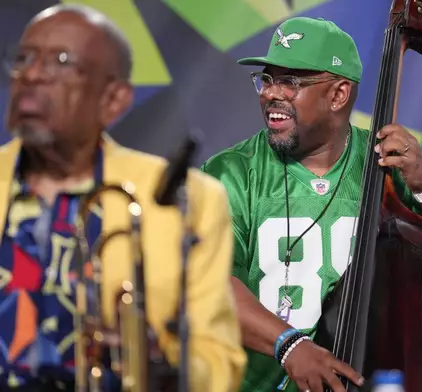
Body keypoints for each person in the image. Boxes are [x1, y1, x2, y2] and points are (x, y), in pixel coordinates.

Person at [200, 16, 422, 392]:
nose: (270, 93)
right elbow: (207, 281)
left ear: (338, 94)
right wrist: (290, 346)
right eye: (267, 79)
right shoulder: (230, 173)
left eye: (290, 81)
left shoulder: (389, 166)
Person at [0, 4, 246, 391]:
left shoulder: (186, 199)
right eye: (24, 59)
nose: (30, 75)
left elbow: (219, 367)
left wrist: (159, 368)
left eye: (61, 62)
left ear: (113, 100)